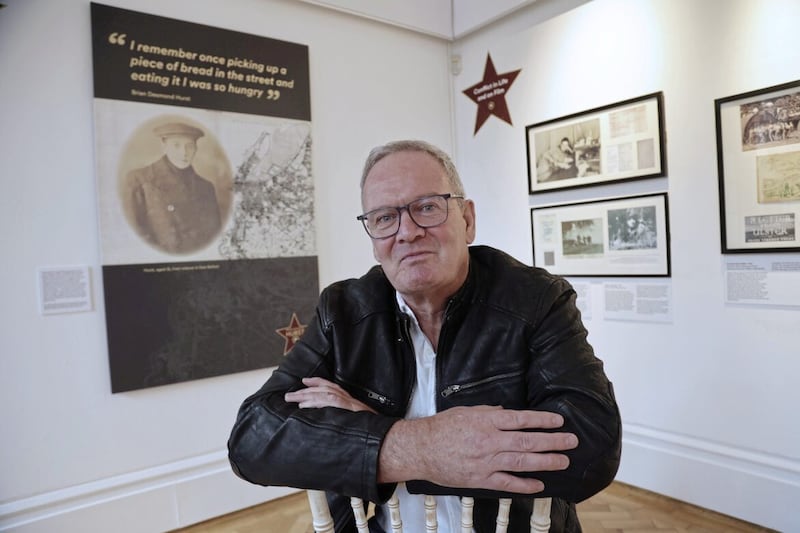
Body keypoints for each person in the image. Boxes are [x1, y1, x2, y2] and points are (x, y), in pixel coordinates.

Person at [228, 140, 621, 532]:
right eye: (384, 218)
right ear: (372, 237)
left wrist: (373, 430)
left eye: (427, 207)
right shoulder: (343, 311)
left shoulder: (535, 299)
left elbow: (593, 447)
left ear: (467, 220)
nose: (407, 232)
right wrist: (418, 445)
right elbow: (253, 439)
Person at [124, 122, 222, 254]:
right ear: (164, 147)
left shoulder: (206, 187)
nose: (184, 153)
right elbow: (135, 236)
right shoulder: (139, 179)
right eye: (176, 145)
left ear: (196, 149)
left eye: (190, 146)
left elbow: (215, 236)